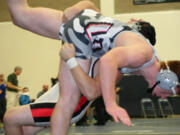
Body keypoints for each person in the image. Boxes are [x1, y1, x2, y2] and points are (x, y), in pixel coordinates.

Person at [5, 0, 179, 135]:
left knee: (12, 118)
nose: (129, 23)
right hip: (77, 47)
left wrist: (72, 61)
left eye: (134, 25)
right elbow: (96, 17)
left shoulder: (123, 60)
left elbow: (92, 91)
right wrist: (80, 6)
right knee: (19, 15)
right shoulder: (126, 47)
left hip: (73, 91)